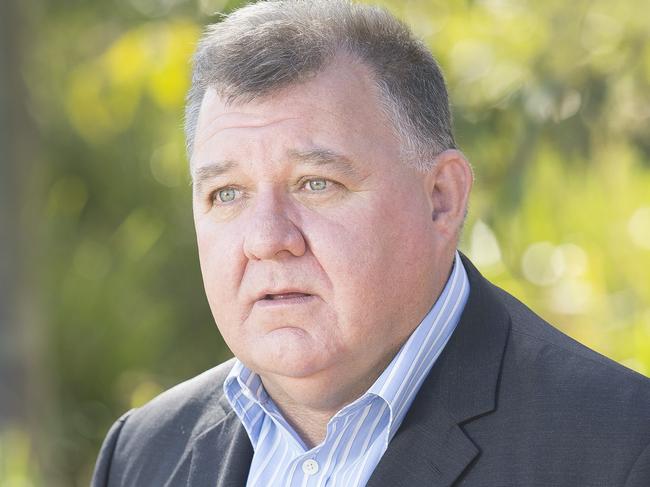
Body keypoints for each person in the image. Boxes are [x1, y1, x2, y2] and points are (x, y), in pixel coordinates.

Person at [91, 1, 650, 486]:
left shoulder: (621, 448)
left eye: (316, 184)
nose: (266, 240)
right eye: (227, 193)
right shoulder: (142, 454)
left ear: (441, 198)